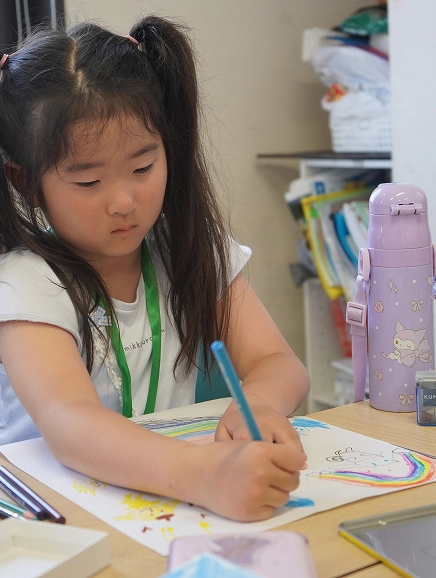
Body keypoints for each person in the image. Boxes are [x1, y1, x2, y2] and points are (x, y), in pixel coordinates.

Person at [0, 15, 310, 522]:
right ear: (26, 182)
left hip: (156, 501)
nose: (124, 202)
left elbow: (278, 363)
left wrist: (259, 404)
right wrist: (205, 474)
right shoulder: (25, 286)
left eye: (143, 167)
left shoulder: (186, 249)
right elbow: (70, 422)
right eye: (87, 182)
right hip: (49, 518)